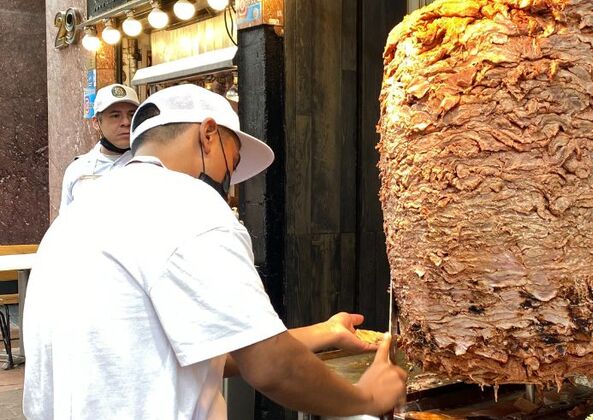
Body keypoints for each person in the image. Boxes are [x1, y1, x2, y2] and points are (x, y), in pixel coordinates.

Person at [23, 84, 406, 419]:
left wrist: (324, 331)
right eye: (233, 161)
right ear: (208, 134)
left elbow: (195, 352)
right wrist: (366, 397)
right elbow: (272, 367)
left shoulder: (80, 214)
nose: (229, 182)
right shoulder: (189, 203)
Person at [59, 83, 139, 210]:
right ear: (96, 122)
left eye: (132, 114)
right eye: (115, 116)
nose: (126, 122)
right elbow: (65, 224)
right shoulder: (78, 170)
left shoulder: (154, 164)